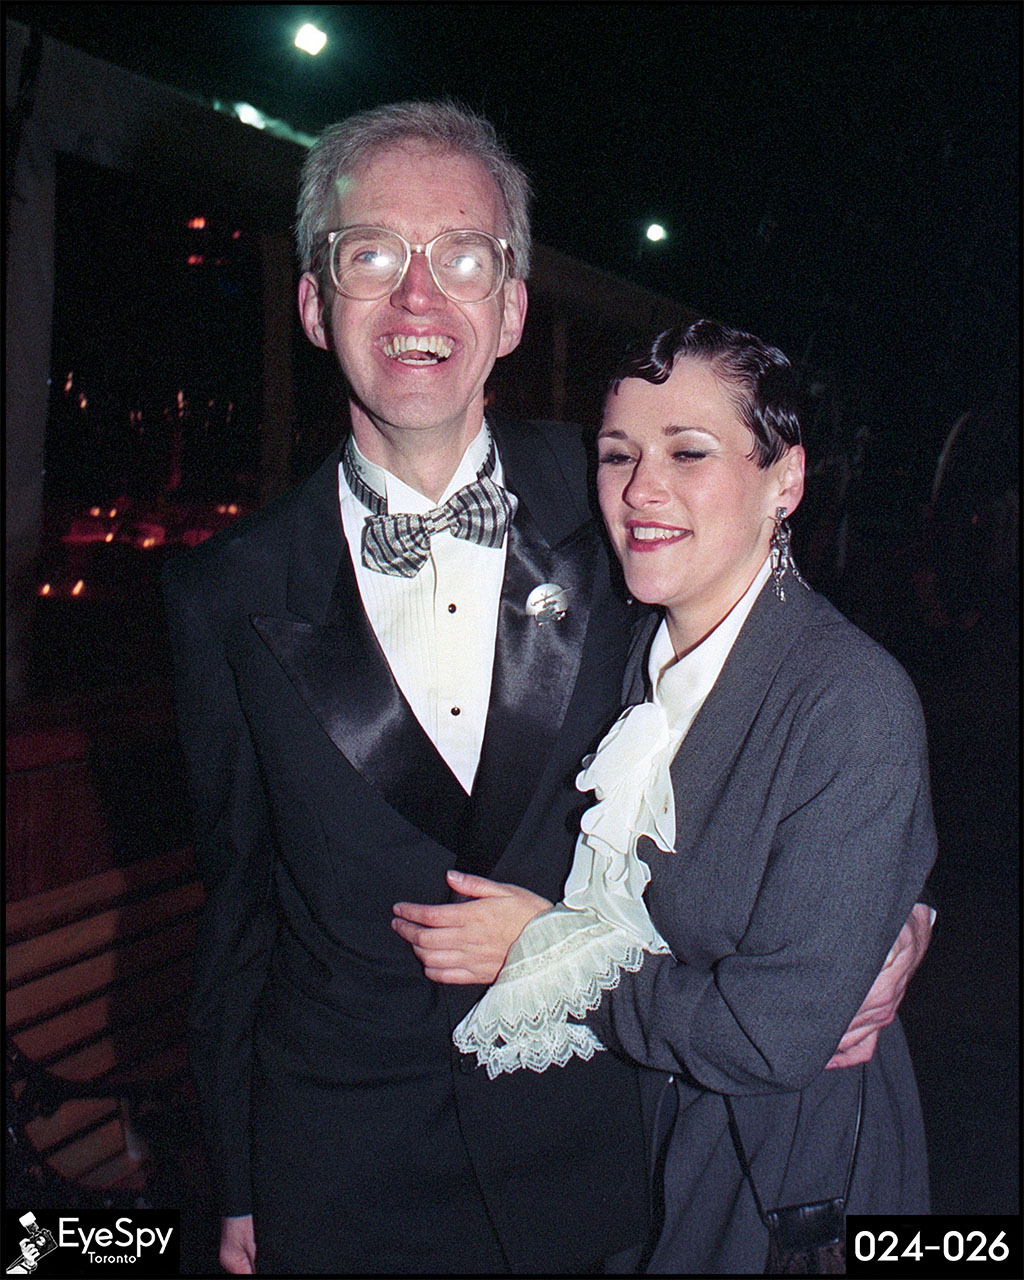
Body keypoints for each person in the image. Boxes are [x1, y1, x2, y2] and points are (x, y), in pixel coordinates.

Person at [164, 101, 930, 1275]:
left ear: (510, 306)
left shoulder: (627, 499)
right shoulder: (223, 590)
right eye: (372, 256)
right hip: (342, 1163)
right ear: (316, 304)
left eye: (462, 257)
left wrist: (897, 910)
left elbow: (791, 697)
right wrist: (241, 1174)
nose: (419, 299)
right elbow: (238, 905)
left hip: (598, 1143)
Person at [405, 319, 936, 1273]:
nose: (642, 490)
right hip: (630, 1147)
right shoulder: (620, 655)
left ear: (787, 481)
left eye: (689, 452)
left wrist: (546, 951)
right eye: (619, 455)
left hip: (780, 1177)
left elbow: (766, 1038)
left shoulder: (848, 698)